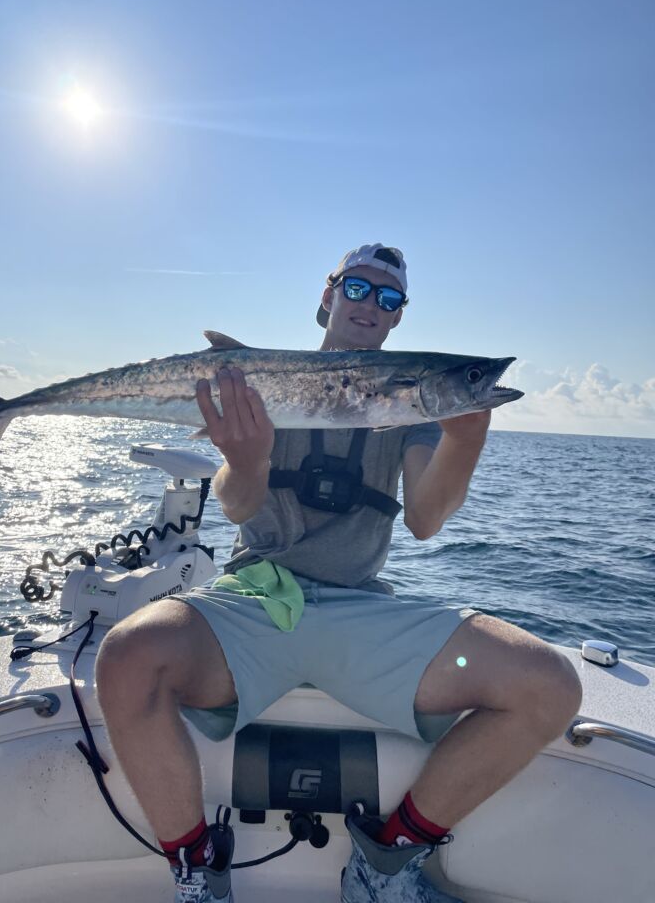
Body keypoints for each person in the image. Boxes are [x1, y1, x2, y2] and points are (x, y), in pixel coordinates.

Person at [96, 244, 583, 903]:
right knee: (126, 655)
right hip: (254, 599)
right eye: (358, 287)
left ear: (397, 322)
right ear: (328, 296)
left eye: (389, 299)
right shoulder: (261, 385)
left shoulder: (411, 410)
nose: (370, 305)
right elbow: (238, 505)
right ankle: (199, 869)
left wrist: (465, 437)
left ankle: (386, 863)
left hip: (362, 610)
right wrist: (246, 456)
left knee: (548, 685)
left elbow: (425, 520)